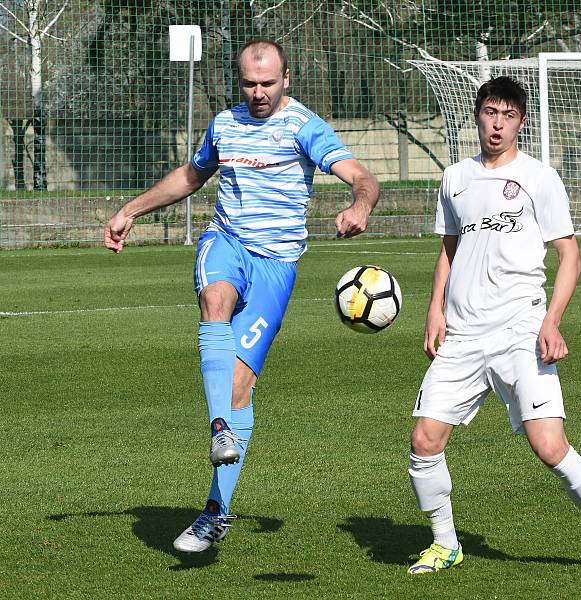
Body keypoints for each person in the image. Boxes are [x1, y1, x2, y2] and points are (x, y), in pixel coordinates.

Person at [104, 39, 379, 552]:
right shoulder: (224, 124)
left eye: (268, 83)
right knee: (215, 301)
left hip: (277, 267)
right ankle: (218, 429)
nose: (258, 93)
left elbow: (362, 177)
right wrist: (131, 210)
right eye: (249, 84)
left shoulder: (304, 127)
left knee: (239, 388)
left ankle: (214, 511)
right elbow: (192, 175)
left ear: (287, 79)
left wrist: (359, 206)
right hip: (226, 243)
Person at [405, 76, 581, 574]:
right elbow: (450, 249)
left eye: (508, 115)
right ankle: (445, 543)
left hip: (520, 328)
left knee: (549, 446)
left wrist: (552, 321)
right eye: (490, 113)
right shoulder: (454, 177)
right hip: (463, 332)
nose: (497, 124)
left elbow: (570, 256)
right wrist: (435, 308)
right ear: (476, 115)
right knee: (424, 441)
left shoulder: (539, 178)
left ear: (521, 122)